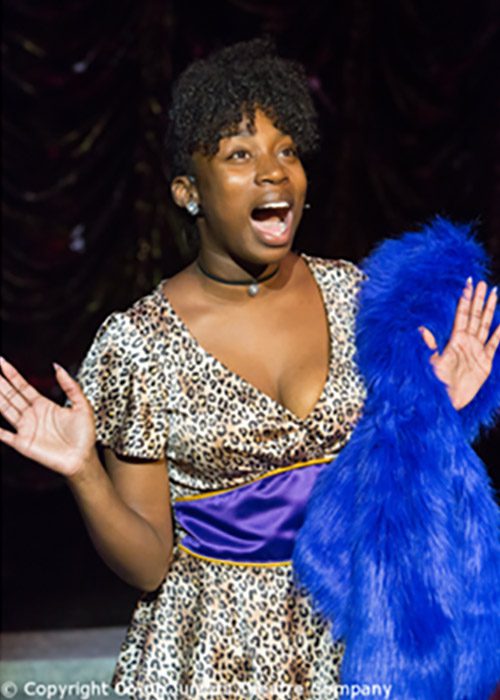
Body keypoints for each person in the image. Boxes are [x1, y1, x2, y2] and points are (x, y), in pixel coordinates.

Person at [0, 38, 498, 700]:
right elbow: (148, 566)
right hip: (213, 658)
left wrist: (441, 412)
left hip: (353, 647)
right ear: (189, 192)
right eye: (241, 155)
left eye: (287, 151)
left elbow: (405, 496)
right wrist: (84, 473)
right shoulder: (138, 344)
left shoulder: (362, 300)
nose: (274, 172)